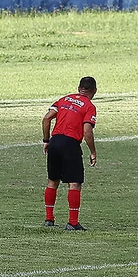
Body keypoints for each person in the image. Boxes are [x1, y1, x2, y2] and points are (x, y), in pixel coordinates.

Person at [41, 76, 97, 231]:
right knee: (74, 183)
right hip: (70, 144)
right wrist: (92, 151)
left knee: (53, 180)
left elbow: (46, 119)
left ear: (79, 88)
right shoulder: (89, 106)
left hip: (54, 141)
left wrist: (46, 140)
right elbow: (87, 131)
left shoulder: (64, 99)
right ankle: (72, 222)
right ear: (94, 91)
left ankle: (49, 219)